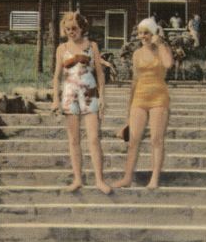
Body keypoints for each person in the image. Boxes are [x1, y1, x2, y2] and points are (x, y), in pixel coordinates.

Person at [51, 12, 111, 195]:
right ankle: (78, 178)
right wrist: (55, 98)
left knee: (93, 138)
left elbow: (100, 74)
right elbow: (56, 77)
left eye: (74, 28)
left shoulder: (92, 46)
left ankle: (99, 179)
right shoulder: (61, 48)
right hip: (70, 94)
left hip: (89, 93)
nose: (71, 32)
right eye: (67, 29)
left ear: (82, 28)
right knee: (74, 139)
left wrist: (103, 98)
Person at [113, 18, 174, 190]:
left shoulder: (163, 49)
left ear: (154, 33)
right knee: (133, 139)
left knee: (156, 139)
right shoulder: (137, 54)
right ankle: (127, 178)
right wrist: (129, 108)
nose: (143, 36)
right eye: (140, 33)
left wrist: (160, 43)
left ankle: (154, 178)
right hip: (140, 97)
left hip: (158, 98)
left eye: (146, 32)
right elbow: (134, 80)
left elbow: (168, 64)